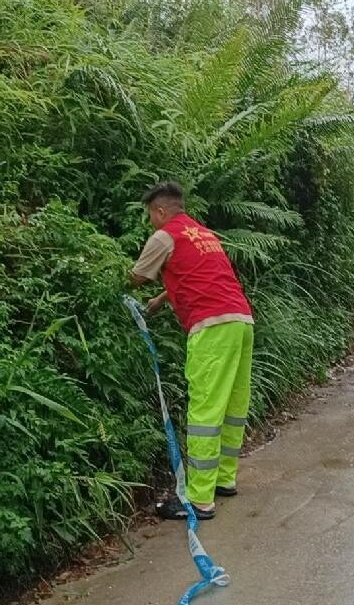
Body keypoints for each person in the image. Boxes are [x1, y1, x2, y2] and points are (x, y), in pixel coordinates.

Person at [130, 181, 255, 520]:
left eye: (150, 216)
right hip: (241, 321)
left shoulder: (164, 235)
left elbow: (136, 277)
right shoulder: (204, 235)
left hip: (211, 326)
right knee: (232, 405)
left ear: (159, 211)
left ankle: (199, 499)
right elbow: (197, 277)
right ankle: (224, 480)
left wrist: (119, 286)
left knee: (205, 411)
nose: (151, 223)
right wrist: (159, 302)